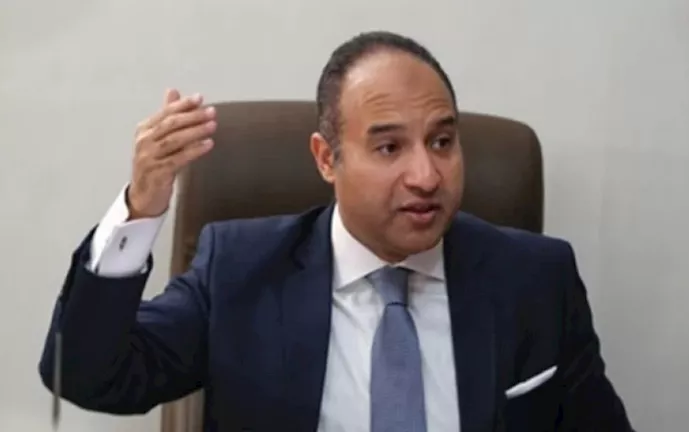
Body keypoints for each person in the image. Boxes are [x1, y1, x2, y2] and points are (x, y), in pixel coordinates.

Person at [38, 31, 634, 431]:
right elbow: (88, 377)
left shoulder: (535, 280)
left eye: (442, 142)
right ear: (327, 159)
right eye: (389, 147)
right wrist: (140, 208)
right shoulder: (241, 270)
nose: (427, 175)